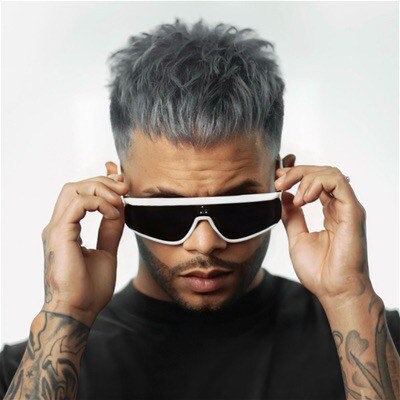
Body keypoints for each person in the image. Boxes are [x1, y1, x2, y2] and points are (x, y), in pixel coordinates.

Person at [1, 18, 399, 400]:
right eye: (168, 211)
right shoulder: (23, 371)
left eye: (237, 207)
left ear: (282, 181)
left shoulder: (382, 342)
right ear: (118, 190)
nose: (205, 243)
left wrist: (349, 298)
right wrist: (66, 313)